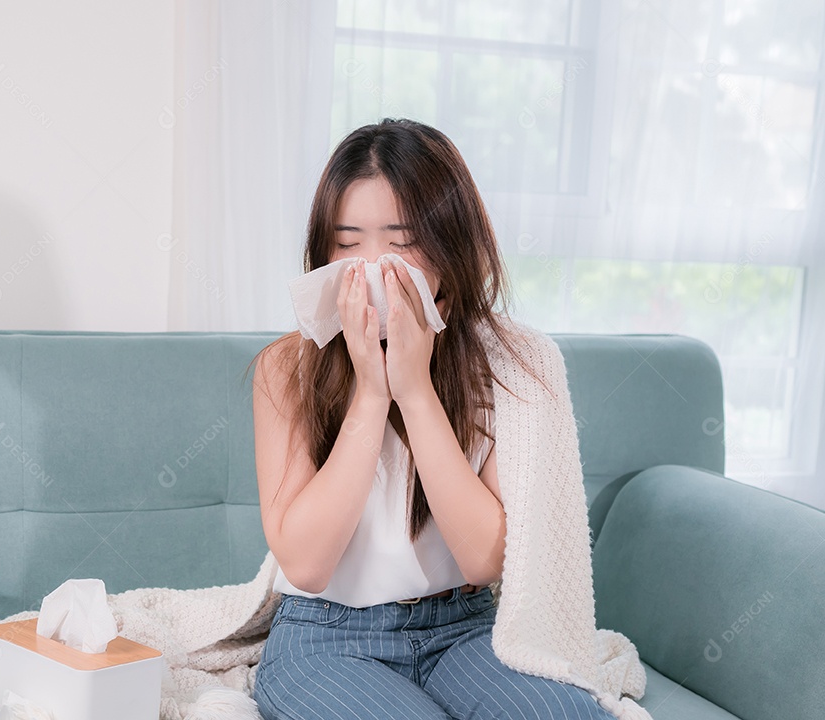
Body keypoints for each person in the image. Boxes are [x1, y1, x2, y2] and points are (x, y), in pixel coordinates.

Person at [250, 118, 617, 720]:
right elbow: (307, 565)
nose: (374, 267)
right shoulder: (285, 369)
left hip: (464, 628)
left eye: (401, 242)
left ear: (452, 246)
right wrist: (372, 392)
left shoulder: (517, 366)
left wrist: (414, 391)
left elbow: (481, 561)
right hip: (325, 638)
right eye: (349, 244)